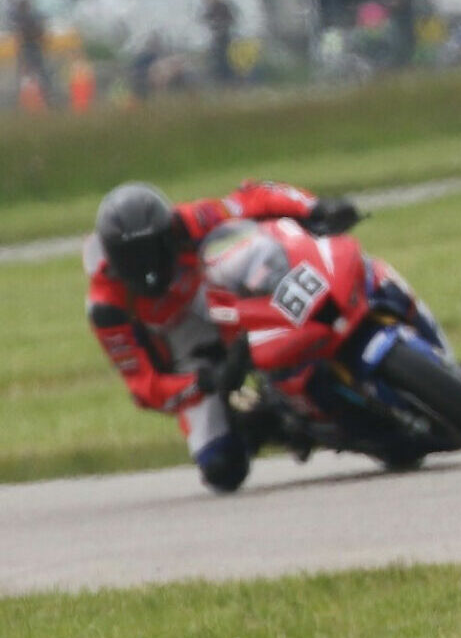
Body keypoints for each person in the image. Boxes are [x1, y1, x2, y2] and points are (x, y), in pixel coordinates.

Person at [84, 181, 362, 492]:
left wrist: (313, 207)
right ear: (112, 257)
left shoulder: (189, 221)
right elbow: (144, 387)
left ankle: (322, 334)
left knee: (247, 254)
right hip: (187, 353)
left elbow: (254, 198)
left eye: (153, 250)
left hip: (221, 299)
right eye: (131, 257)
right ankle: (275, 423)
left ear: (168, 234)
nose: (146, 266)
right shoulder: (107, 308)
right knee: (222, 469)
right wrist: (202, 381)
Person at [8, 0, 60, 108]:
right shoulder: (26, 18)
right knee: (35, 74)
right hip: (30, 49)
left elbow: (35, 34)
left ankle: (45, 98)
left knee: (36, 74)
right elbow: (35, 34)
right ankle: (41, 98)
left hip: (31, 49)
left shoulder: (27, 18)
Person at [201, 0, 237, 84]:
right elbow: (206, 18)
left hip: (224, 36)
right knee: (217, 57)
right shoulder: (211, 8)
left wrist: (220, 24)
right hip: (217, 37)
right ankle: (221, 78)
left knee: (224, 58)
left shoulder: (222, 6)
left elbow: (230, 20)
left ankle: (227, 78)